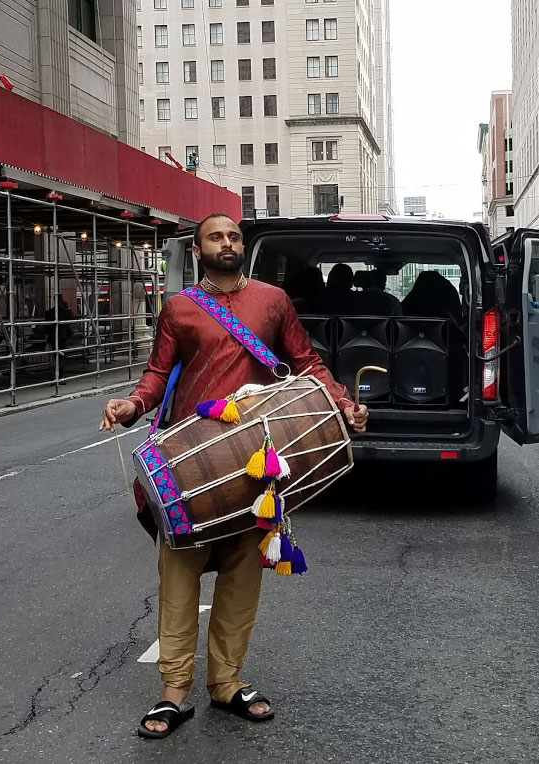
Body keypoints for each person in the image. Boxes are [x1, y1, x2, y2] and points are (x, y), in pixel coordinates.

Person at [99, 213, 368, 740]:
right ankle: (173, 692)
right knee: (178, 579)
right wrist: (132, 404)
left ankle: (226, 684)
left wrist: (342, 402)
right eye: (216, 237)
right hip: (189, 461)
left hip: (254, 462)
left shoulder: (272, 301)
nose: (227, 243)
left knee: (243, 577)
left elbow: (306, 363)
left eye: (234, 236)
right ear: (198, 250)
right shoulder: (178, 308)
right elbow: (158, 373)